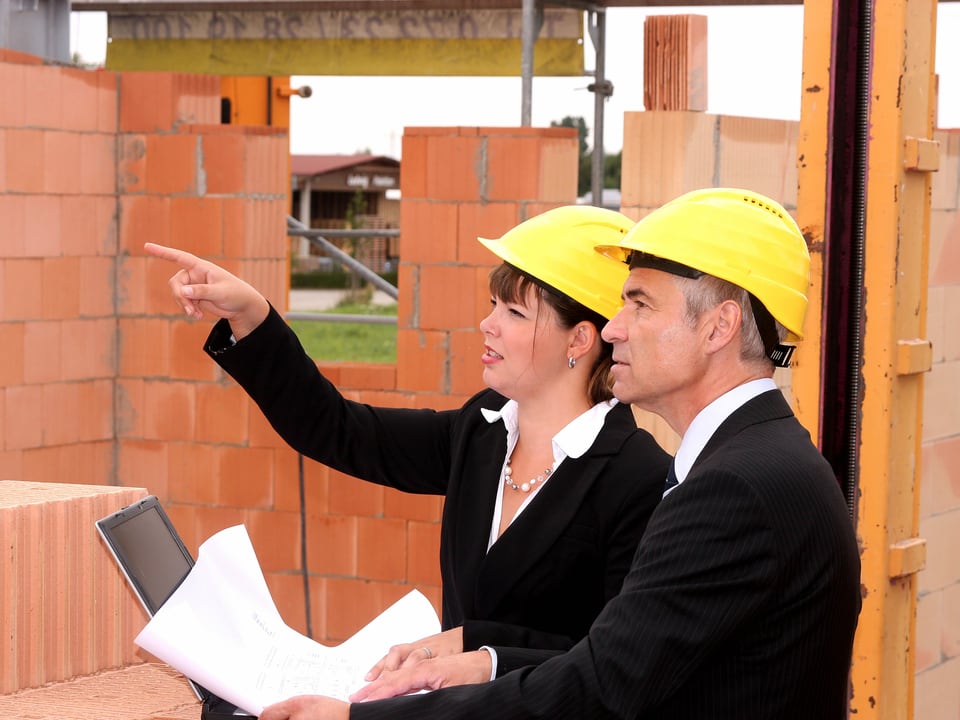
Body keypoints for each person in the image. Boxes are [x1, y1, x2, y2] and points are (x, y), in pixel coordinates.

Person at [256, 188, 862, 720]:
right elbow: (624, 665)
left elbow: (602, 684)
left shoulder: (734, 487)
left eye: (641, 304)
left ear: (719, 327)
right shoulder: (749, 461)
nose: (615, 328)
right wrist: (484, 658)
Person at [145, 205, 672, 686]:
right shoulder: (480, 432)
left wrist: (476, 649)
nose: (486, 325)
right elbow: (337, 429)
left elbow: (616, 661)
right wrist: (252, 316)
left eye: (513, 313)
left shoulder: (638, 478)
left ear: (579, 340)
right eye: (493, 305)